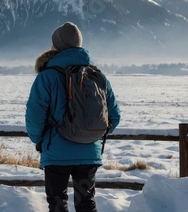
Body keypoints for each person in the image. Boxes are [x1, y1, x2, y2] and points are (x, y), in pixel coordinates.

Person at [25, 22, 121, 212]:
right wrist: (92, 135)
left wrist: (41, 141)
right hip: (89, 154)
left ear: (57, 46)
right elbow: (114, 116)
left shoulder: (47, 76)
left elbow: (34, 116)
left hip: (56, 152)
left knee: (58, 204)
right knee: (87, 204)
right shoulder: (98, 76)